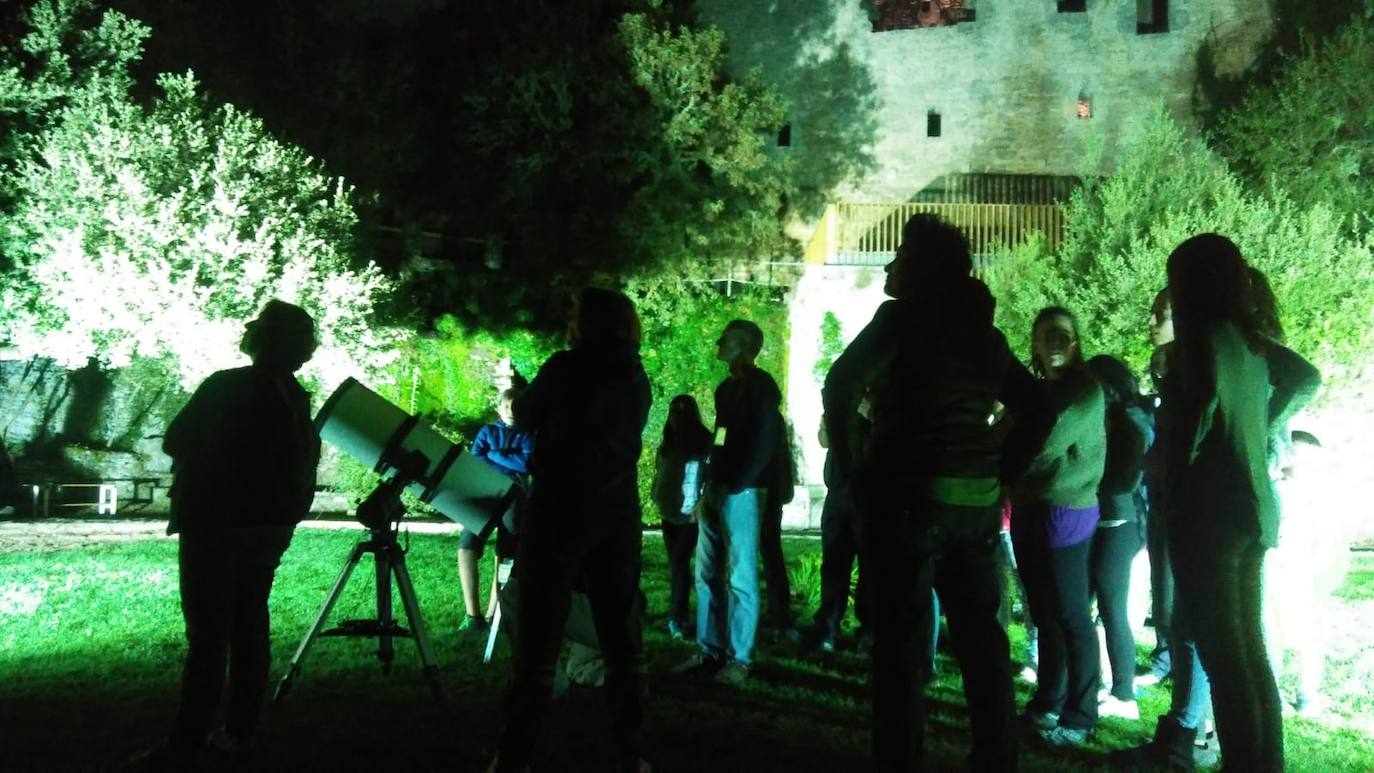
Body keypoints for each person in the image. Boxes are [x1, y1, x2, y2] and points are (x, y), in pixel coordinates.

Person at [824, 213, 1054, 771]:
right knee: (983, 645)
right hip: (973, 509)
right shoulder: (985, 335)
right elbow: (1039, 406)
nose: (889, 262)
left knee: (900, 648)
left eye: (899, 253)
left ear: (923, 268)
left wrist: (855, 471)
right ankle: (997, 758)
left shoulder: (898, 321)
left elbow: (841, 383)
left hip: (905, 503)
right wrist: (1001, 467)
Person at [149, 300, 321, 770]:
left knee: (208, 635)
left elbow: (176, 440)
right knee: (250, 627)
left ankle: (189, 738)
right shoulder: (295, 397)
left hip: (215, 522)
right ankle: (240, 731)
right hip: (266, 527)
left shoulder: (226, 386)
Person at [488, 288, 652, 773]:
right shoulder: (636, 375)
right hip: (617, 511)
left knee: (539, 632)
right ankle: (630, 750)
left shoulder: (564, 368)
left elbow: (524, 417)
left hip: (558, 509)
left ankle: (516, 755)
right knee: (621, 635)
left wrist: (515, 394)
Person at [1161, 233, 1284, 771]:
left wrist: (1169, 468)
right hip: (1253, 509)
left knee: (1224, 658)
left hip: (1208, 513)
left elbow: (1198, 410)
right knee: (1249, 655)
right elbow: (1295, 382)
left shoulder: (1204, 337)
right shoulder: (1250, 342)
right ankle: (1267, 764)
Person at [1010, 306, 1106, 747]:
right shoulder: (1034, 391)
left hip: (1065, 511)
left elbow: (1044, 446)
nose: (1054, 342)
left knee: (1070, 616)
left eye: (1063, 334)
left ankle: (1082, 715)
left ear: (1076, 342)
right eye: (1045, 334)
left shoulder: (1085, 392)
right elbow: (1008, 433)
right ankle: (1048, 702)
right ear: (1033, 343)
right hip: (1029, 507)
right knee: (1044, 614)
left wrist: (1001, 465)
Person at [675, 319, 782, 687]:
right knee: (706, 571)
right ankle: (709, 650)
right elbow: (720, 438)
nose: (718, 342)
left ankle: (739, 659)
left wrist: (736, 484)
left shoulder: (762, 387)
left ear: (744, 345)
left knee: (740, 576)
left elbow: (765, 440)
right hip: (719, 489)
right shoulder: (725, 390)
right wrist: (708, 484)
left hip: (744, 491)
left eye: (726, 339)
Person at [1085, 354, 1152, 721]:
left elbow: (1127, 478)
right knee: (1082, 607)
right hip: (1090, 519)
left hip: (1117, 522)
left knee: (1112, 608)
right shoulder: (1098, 419)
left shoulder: (1129, 422)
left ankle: (1124, 694)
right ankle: (1091, 684)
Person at [458, 388, 533, 635]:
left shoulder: (528, 435)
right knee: (467, 545)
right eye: (507, 406)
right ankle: (472, 614)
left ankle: (494, 614)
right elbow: (475, 459)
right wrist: (505, 458)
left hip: (514, 497)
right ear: (498, 408)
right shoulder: (487, 431)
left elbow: (526, 463)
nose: (511, 411)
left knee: (505, 552)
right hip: (483, 493)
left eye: (517, 407)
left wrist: (493, 453)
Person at [649, 394, 712, 640]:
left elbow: (710, 472)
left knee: (679, 562)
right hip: (669, 510)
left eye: (680, 412)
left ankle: (678, 617)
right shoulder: (668, 442)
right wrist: (657, 493)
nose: (675, 417)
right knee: (677, 564)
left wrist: (702, 501)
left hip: (691, 513)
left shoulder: (704, 442)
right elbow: (660, 469)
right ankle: (677, 615)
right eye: (672, 411)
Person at [810, 416, 871, 653]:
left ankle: (867, 631)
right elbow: (823, 441)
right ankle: (828, 628)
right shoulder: (839, 407)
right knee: (834, 564)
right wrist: (827, 424)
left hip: (868, 496)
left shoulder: (878, 401)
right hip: (837, 492)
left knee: (869, 568)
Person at [759, 418, 800, 643]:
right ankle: (779, 616)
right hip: (770, 497)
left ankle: (779, 617)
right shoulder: (774, 424)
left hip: (763, 496)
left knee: (770, 557)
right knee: (772, 558)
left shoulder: (765, 422)